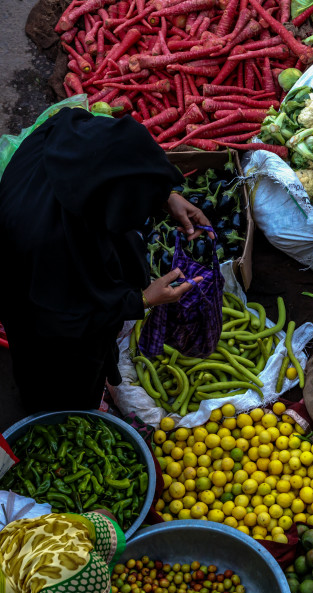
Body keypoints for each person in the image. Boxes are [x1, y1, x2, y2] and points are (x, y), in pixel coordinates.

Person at [0, 107, 209, 411]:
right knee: (58, 380)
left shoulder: (68, 137)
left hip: (43, 266)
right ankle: (63, 415)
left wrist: (164, 195)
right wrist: (141, 301)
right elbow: (64, 317)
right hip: (40, 317)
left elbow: (122, 156)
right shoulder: (48, 240)